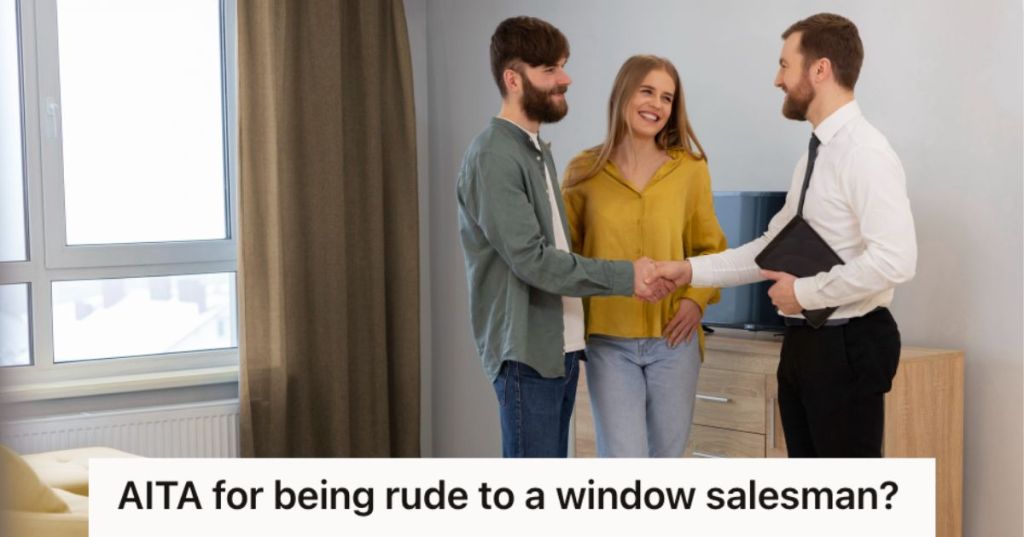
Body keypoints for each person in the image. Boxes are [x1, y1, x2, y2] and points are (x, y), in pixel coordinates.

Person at [652, 13, 917, 458]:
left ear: (820, 69)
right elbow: (768, 249)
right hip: (805, 345)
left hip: (847, 345)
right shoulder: (815, 156)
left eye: (784, 65)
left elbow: (896, 260)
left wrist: (805, 293)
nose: (777, 80)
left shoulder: (865, 152)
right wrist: (688, 270)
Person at [456, 17, 671, 458]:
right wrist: (627, 276)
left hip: (562, 350)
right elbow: (533, 261)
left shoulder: (534, 150)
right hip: (527, 357)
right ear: (513, 79)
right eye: (550, 69)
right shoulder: (493, 155)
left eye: (563, 66)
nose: (565, 79)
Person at [561, 55, 726, 457]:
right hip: (608, 342)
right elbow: (567, 260)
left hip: (674, 339)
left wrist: (694, 301)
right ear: (623, 94)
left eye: (667, 98)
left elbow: (712, 249)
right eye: (647, 91)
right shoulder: (583, 172)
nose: (657, 104)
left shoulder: (690, 170)